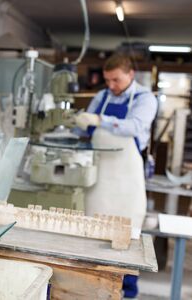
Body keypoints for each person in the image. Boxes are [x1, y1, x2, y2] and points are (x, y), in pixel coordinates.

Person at [75, 53, 158, 299]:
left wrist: (101, 120)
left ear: (131, 74)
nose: (111, 86)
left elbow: (134, 126)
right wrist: (79, 123)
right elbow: (88, 128)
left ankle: (127, 292)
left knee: (127, 237)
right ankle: (91, 287)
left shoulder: (146, 99)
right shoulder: (101, 96)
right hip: (99, 180)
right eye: (107, 80)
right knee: (93, 232)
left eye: (116, 80)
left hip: (127, 182)